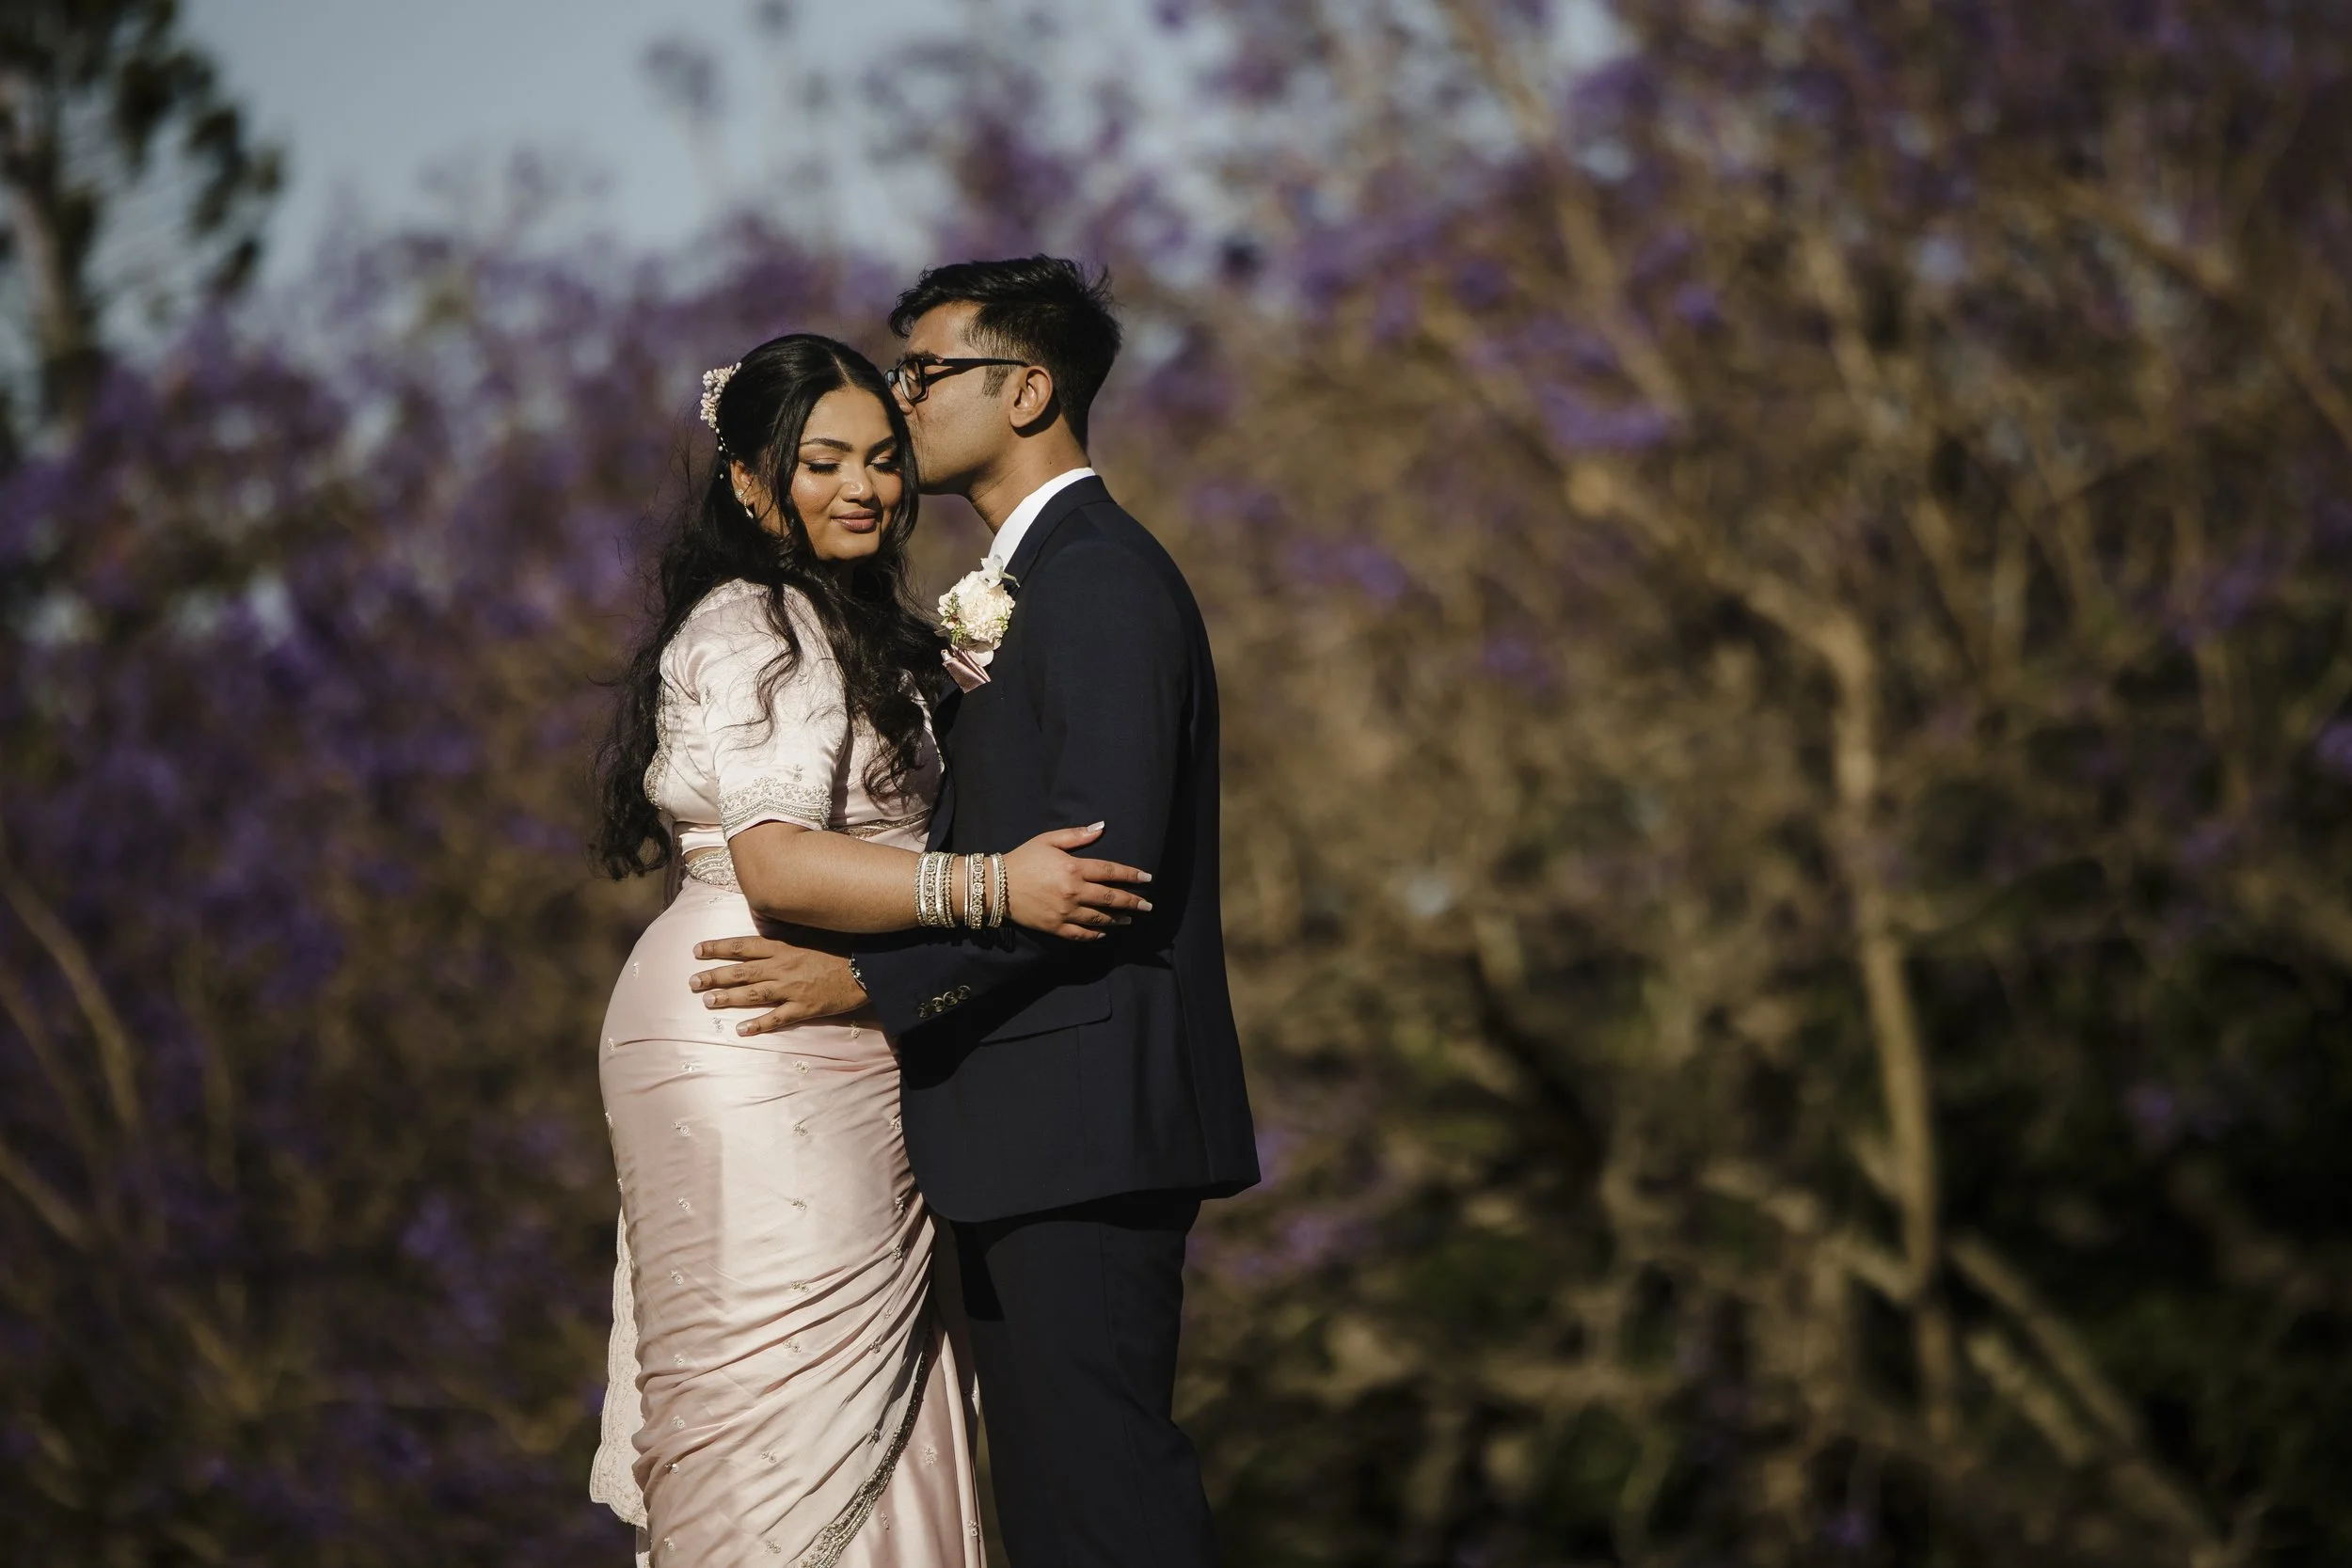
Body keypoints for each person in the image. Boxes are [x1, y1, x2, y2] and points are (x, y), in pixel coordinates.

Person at [685, 260, 1261, 1568]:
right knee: (1054, 1509)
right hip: (1021, 1125)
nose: (901, 398)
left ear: (1028, 390)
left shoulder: (1100, 580)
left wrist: (867, 986)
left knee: (1107, 1501)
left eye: (927, 371)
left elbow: (1102, 871)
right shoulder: (1030, 580)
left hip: (1086, 1123)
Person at [586, 332, 1153, 1567]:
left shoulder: (842, 621)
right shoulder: (755, 623)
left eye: (885, 459)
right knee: (780, 1407)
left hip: (837, 1018)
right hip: (757, 1022)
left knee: (875, 1394)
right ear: (751, 481)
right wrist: (999, 888)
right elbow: (780, 863)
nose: (865, 487)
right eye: (823, 461)